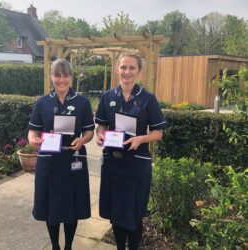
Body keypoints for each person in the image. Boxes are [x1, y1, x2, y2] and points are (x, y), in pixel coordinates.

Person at [95, 52, 166, 250]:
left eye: (131, 68)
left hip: (137, 163)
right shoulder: (107, 97)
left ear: (139, 71)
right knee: (117, 213)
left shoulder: (148, 99)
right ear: (118, 69)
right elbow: (100, 126)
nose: (127, 72)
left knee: (134, 213)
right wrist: (101, 135)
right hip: (113, 163)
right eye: (123, 67)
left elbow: (158, 133)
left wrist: (141, 139)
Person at [27, 59, 95, 250]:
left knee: (72, 205)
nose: (61, 80)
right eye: (57, 75)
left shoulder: (82, 102)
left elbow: (90, 131)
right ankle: (56, 246)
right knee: (51, 206)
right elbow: (33, 131)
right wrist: (33, 140)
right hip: (49, 161)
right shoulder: (42, 103)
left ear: (71, 78)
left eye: (65, 75)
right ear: (51, 77)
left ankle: (68, 246)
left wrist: (83, 140)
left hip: (73, 159)